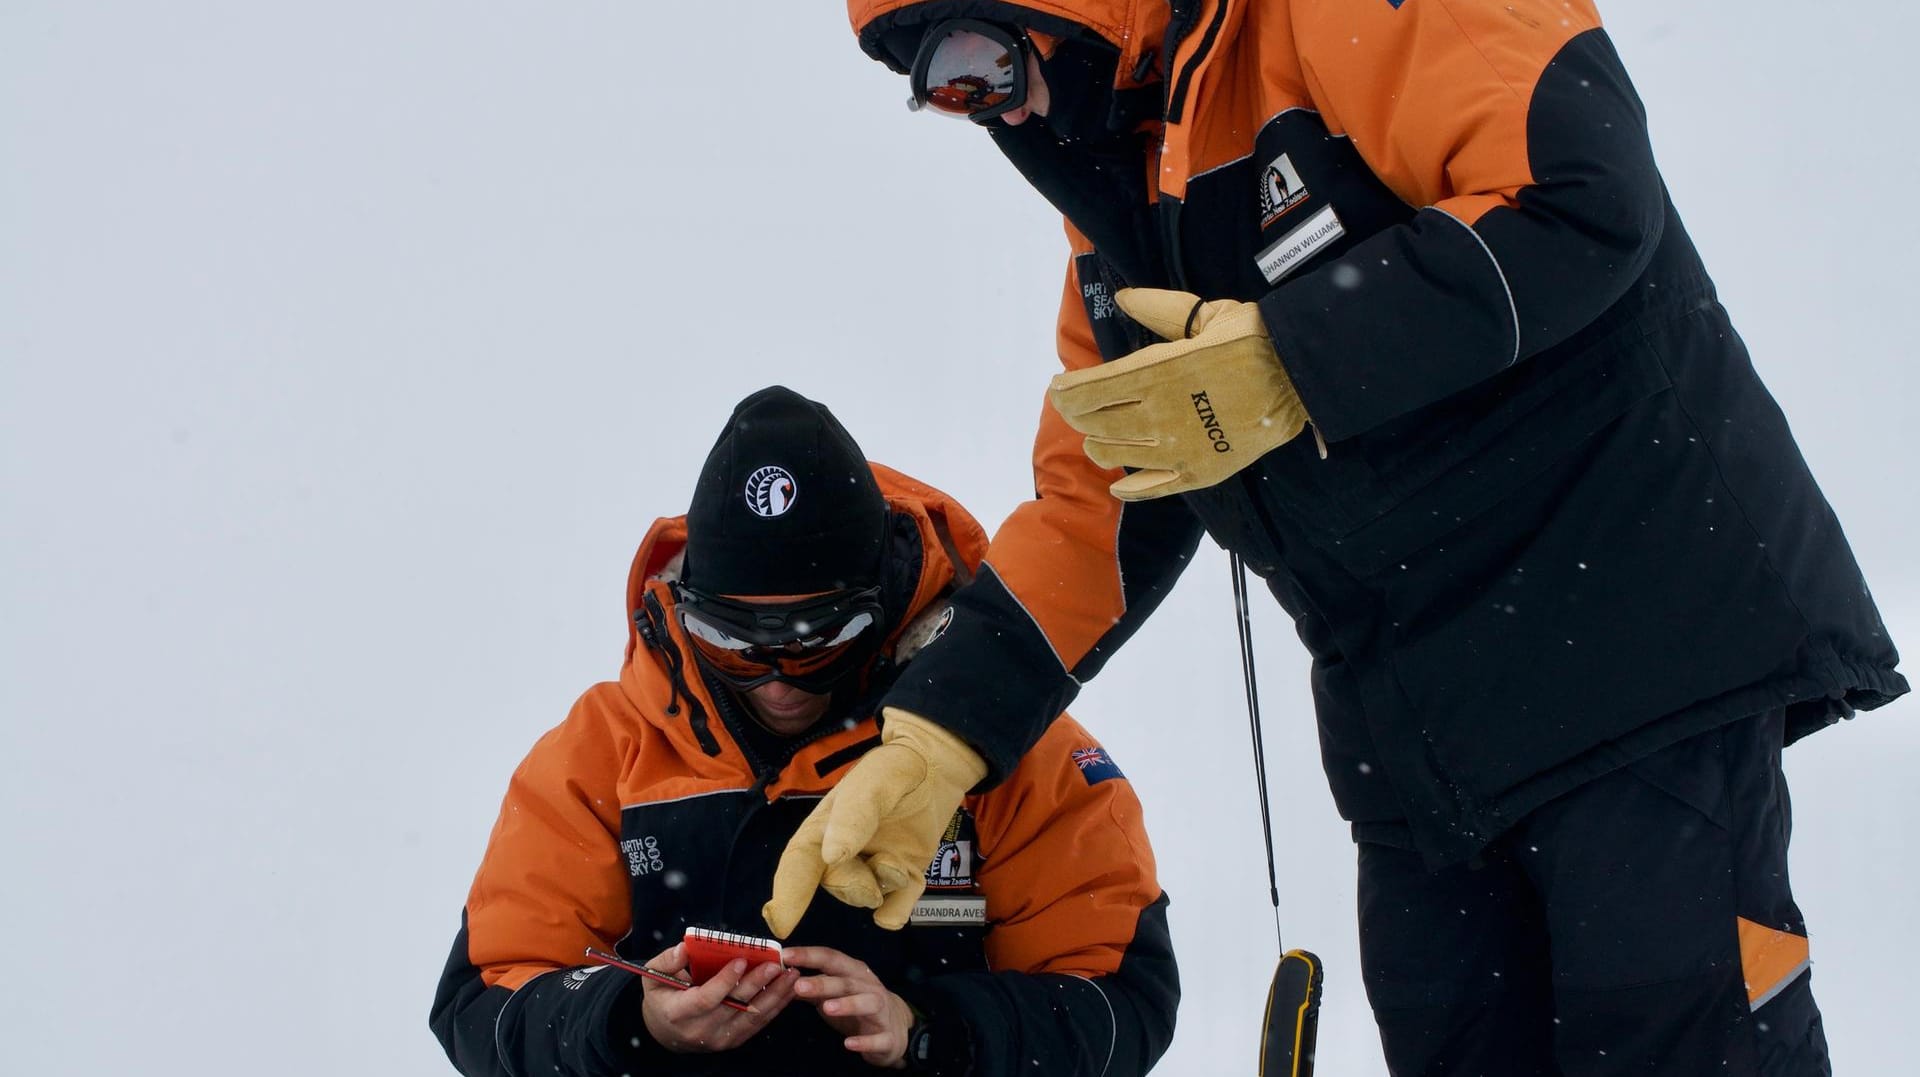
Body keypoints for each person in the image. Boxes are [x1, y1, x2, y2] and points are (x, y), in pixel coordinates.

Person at [761, 3, 1910, 1074]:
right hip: (1419, 743)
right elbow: (1108, 494)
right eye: (943, 93)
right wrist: (939, 735)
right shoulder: (1124, 202)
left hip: (1636, 654)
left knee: (1670, 1036)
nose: (989, 109)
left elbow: (1578, 193)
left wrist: (1297, 356)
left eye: (978, 61)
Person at [428, 386, 1177, 1076]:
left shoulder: (999, 743)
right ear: (684, 610)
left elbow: (1121, 999)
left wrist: (926, 1030)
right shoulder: (601, 755)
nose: (779, 679)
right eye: (733, 644)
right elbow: (484, 996)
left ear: (882, 603)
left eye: (818, 638)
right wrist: (631, 1019)